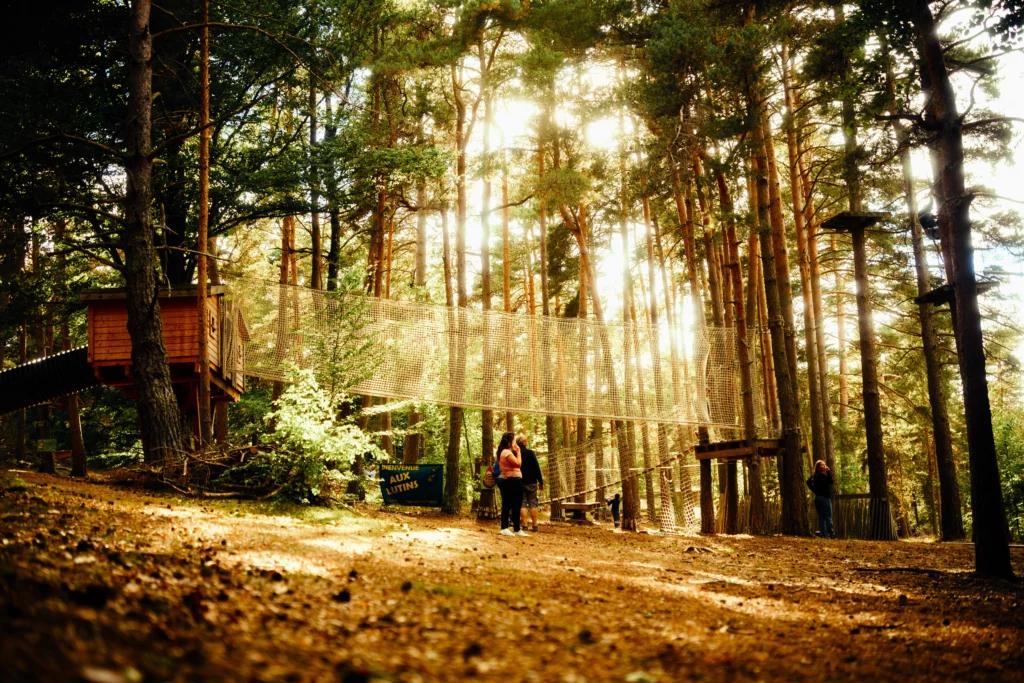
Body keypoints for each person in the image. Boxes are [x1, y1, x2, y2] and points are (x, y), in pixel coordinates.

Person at [495, 432, 527, 537]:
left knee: (516, 505)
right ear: (509, 442)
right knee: (508, 504)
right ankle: (504, 527)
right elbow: (518, 464)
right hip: (512, 480)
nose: (515, 443)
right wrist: (518, 452)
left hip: (514, 480)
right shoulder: (506, 453)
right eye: (514, 441)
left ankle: (516, 529)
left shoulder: (505, 452)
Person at [517, 434, 544, 533]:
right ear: (524, 442)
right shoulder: (530, 453)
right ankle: (535, 525)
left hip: (519, 481)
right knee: (533, 503)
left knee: (522, 503)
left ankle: (524, 525)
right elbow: (536, 468)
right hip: (531, 482)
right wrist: (541, 482)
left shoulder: (515, 453)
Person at [806, 460, 835, 538]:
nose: (824, 466)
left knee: (821, 516)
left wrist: (815, 491)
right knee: (828, 516)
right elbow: (831, 482)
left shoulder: (815, 476)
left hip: (818, 498)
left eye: (825, 464)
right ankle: (831, 534)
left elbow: (808, 482)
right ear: (819, 467)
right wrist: (828, 472)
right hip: (825, 498)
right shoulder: (823, 476)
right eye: (823, 465)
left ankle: (823, 533)